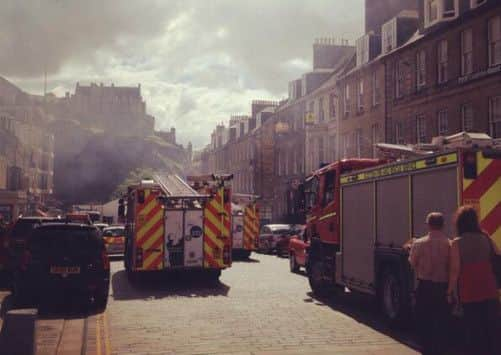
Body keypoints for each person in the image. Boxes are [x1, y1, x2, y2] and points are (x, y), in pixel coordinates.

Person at [448, 205, 500, 355]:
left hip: (470, 290)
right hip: (489, 288)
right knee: (491, 329)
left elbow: (455, 270)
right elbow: (497, 255)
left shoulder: (457, 242)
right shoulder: (486, 237)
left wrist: (450, 291)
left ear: (459, 222)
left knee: (473, 329)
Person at [409, 212, 451, 355]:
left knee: (424, 319)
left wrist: (409, 249)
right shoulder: (450, 244)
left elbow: (412, 263)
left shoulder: (419, 243)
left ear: (428, 225)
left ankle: (426, 348)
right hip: (442, 287)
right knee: (441, 320)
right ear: (443, 225)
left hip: (425, 286)